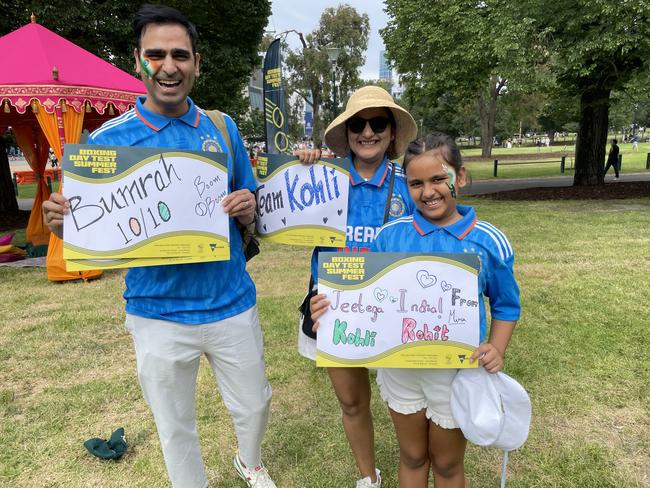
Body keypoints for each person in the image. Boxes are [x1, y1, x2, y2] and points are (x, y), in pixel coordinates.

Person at [42, 5, 275, 488]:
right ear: (137, 61)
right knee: (174, 427)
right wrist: (63, 227)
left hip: (231, 302)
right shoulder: (108, 143)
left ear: (196, 63)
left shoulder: (222, 129)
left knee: (254, 404)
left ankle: (249, 461)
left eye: (180, 55)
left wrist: (247, 206)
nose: (169, 66)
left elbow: (256, 208)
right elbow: (88, 234)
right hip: (157, 313)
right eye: (156, 54)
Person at [312, 132, 520, 487]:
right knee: (411, 456)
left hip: (458, 371)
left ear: (461, 176)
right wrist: (331, 311)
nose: (428, 191)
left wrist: (497, 347)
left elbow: (506, 303)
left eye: (439, 179)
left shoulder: (487, 240)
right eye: (416, 183)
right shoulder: (390, 236)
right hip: (401, 368)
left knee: (447, 464)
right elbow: (366, 296)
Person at [296, 86, 418, 488]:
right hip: (332, 307)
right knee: (352, 402)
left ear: (391, 131)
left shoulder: (409, 183)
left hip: (396, 310)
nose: (367, 132)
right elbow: (275, 211)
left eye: (378, 122)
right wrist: (299, 169)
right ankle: (368, 477)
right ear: (346, 131)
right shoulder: (322, 177)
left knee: (408, 403)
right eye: (358, 124)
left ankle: (414, 469)